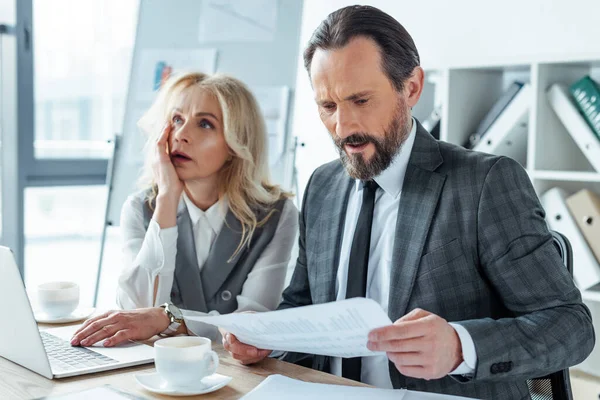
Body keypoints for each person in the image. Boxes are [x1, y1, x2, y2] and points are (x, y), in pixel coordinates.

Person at [222, 5, 595, 399]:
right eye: (328, 106)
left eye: (361, 100)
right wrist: (266, 338)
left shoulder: (485, 183)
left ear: (412, 87)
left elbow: (571, 327)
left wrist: (459, 346)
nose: (342, 127)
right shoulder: (322, 186)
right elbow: (303, 306)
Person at [70, 72, 298, 346]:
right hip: (154, 369)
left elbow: (251, 328)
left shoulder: (276, 215)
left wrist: (167, 320)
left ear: (237, 143)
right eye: (177, 120)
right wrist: (167, 198)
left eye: (204, 124)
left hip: (233, 375)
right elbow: (136, 312)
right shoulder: (140, 208)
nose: (181, 135)